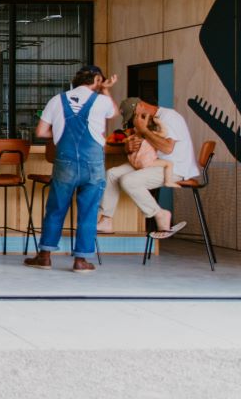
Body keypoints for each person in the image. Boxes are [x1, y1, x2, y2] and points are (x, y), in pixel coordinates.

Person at [24, 64, 118, 273]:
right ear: (95, 80)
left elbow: (40, 131)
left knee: (56, 209)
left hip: (65, 162)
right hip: (93, 163)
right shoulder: (102, 100)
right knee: (89, 211)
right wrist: (105, 89)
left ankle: (45, 256)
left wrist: (59, 133)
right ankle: (81, 261)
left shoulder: (57, 100)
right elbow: (114, 113)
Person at [98, 97, 196, 240]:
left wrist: (144, 130)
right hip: (153, 162)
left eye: (133, 116)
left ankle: (160, 214)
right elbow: (146, 144)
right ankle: (106, 221)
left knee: (129, 180)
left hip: (174, 167)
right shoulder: (149, 120)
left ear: (140, 106)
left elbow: (167, 148)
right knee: (112, 174)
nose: (134, 121)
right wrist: (128, 147)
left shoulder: (170, 117)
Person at [125, 113, 179, 189]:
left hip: (134, 161)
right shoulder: (153, 134)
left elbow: (128, 139)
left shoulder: (137, 134)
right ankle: (168, 182)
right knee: (169, 163)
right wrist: (159, 122)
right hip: (145, 162)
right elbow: (165, 132)